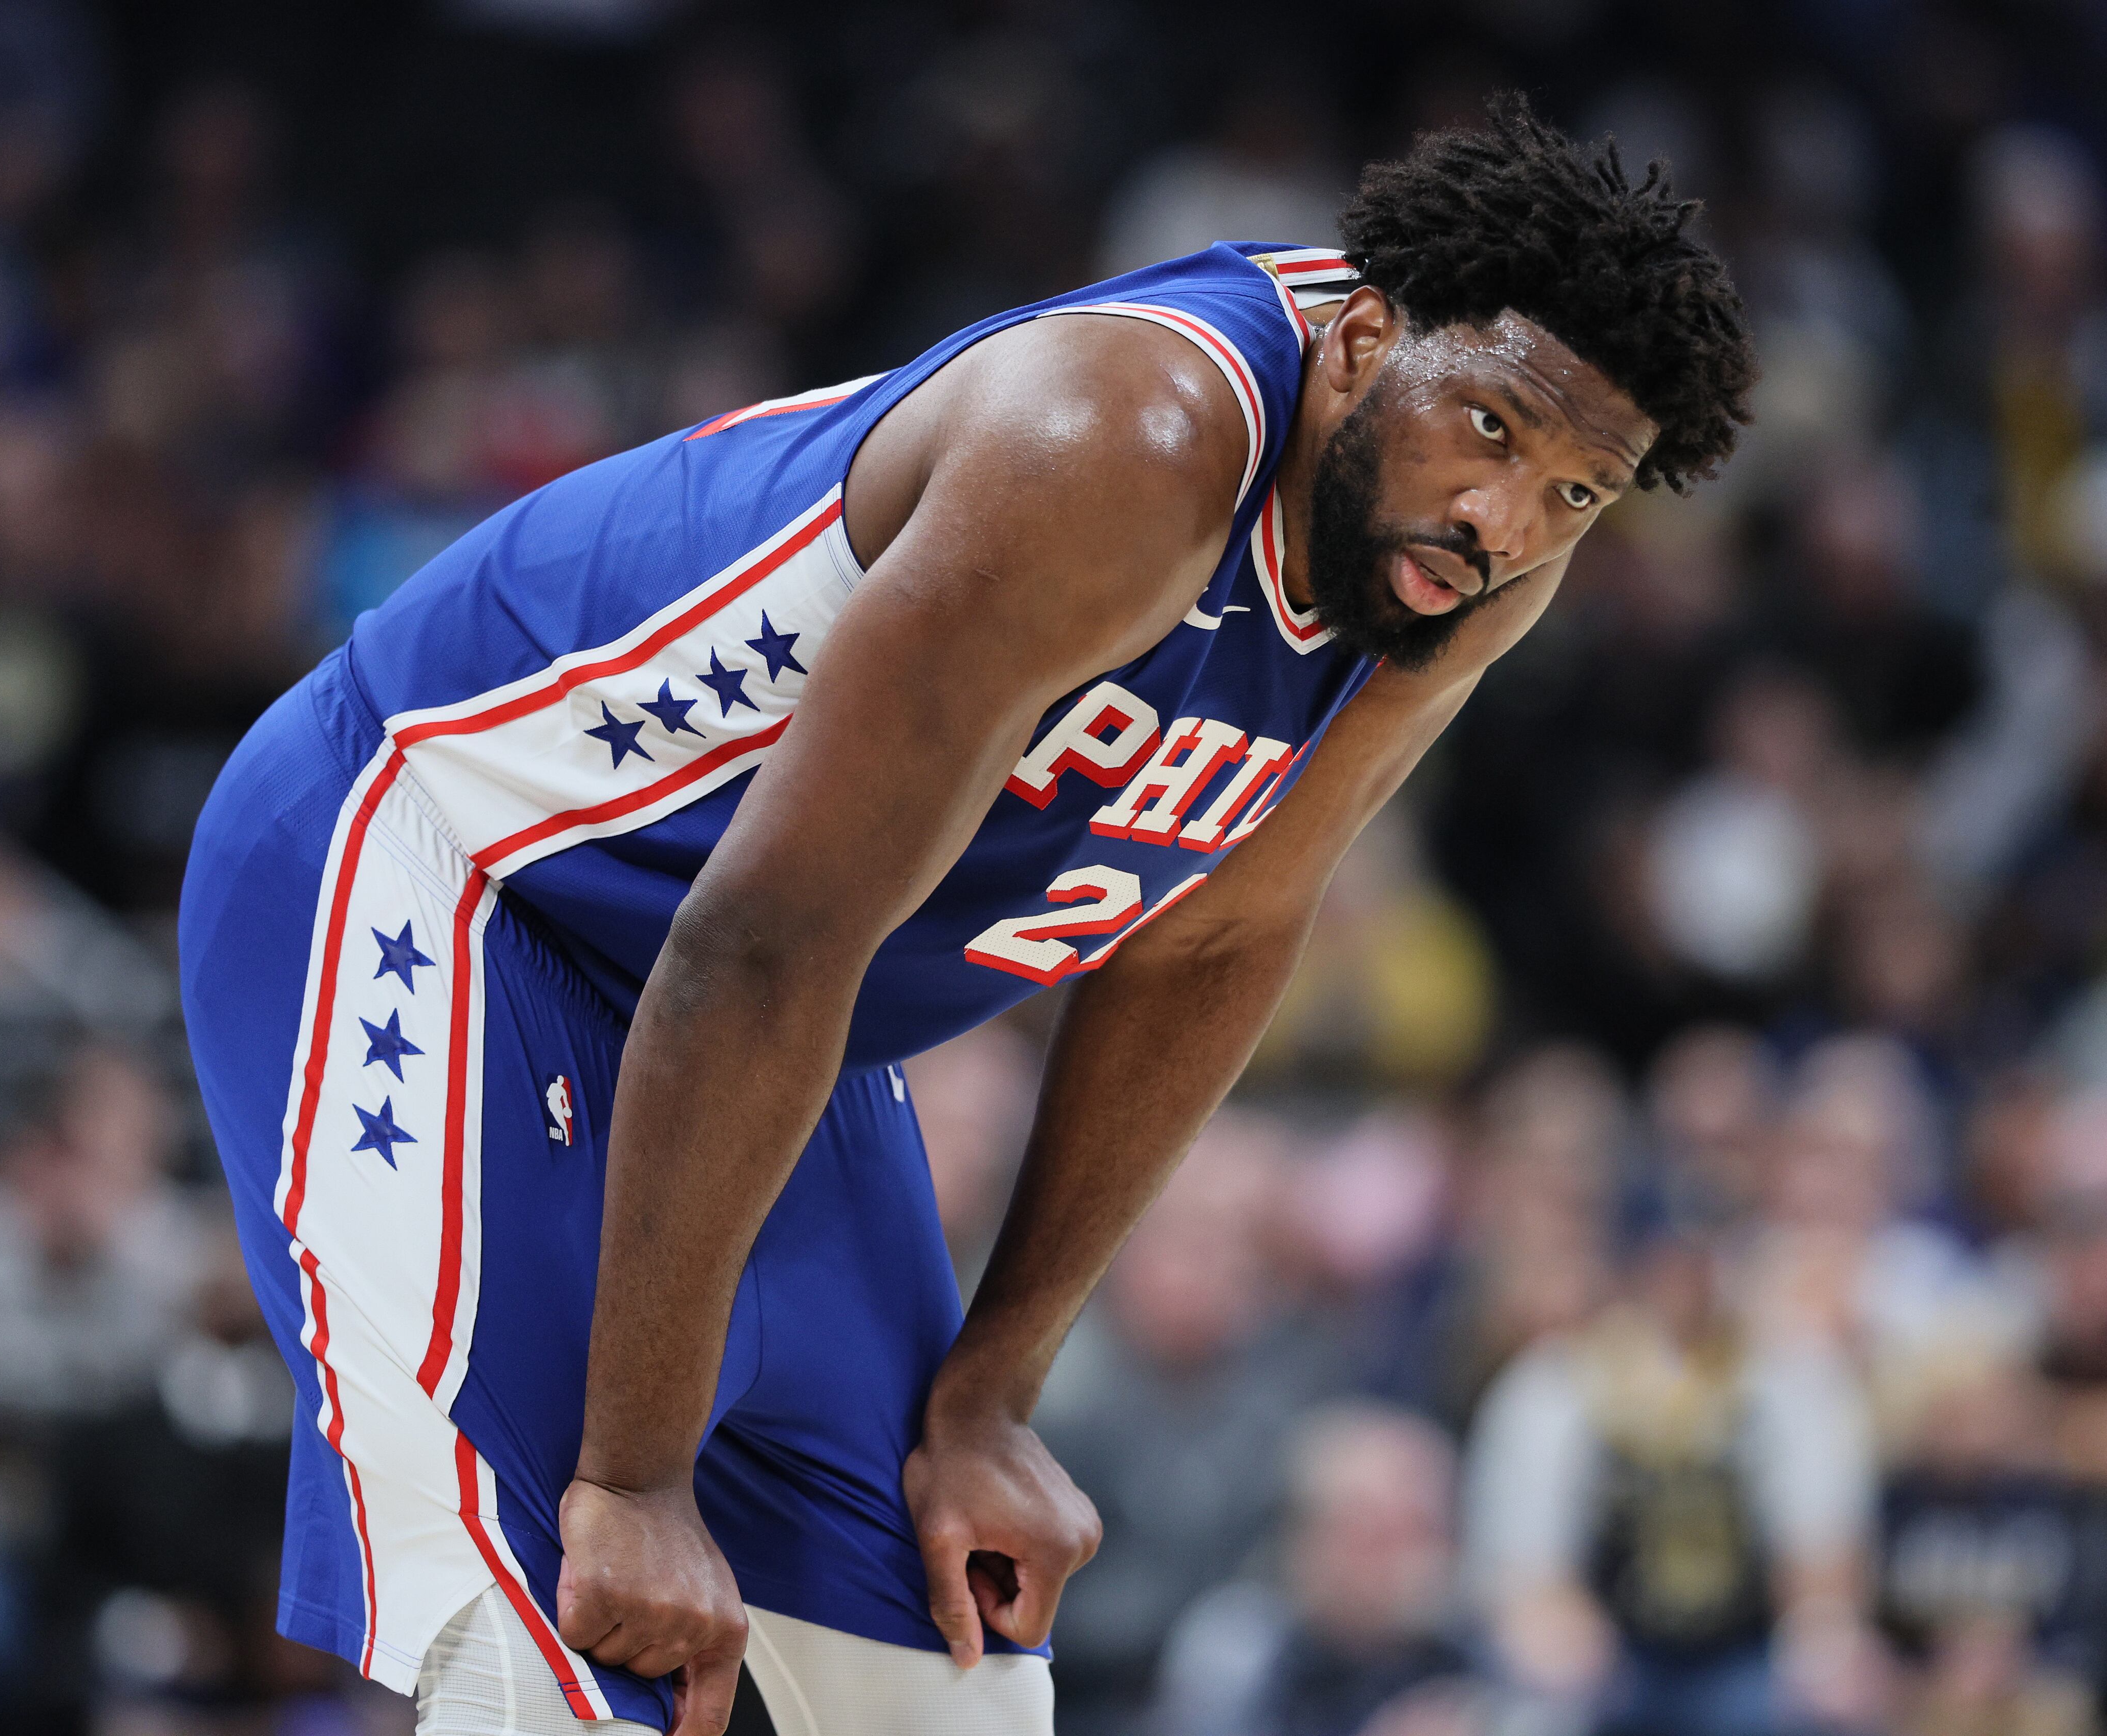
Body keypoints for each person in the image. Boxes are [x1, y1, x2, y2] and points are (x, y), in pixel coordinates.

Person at [176, 95, 1756, 1736]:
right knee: (563, 1662)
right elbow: (758, 945)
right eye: (1491, 432)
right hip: (451, 860)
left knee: (952, 1694)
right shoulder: (1123, 447)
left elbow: (1215, 936)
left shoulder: (1465, 569)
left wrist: (993, 1391)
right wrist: (636, 1473)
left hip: (771, 994)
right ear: (1364, 338)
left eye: (1579, 495)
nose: (1507, 521)